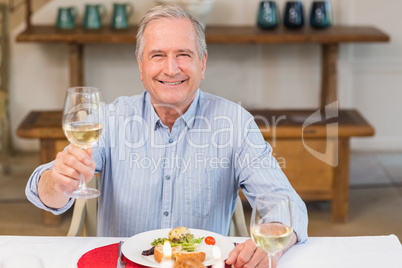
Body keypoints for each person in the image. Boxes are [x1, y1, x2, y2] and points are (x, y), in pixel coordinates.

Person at [26, 4, 308, 268]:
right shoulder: (110, 119)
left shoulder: (235, 123)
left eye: (183, 55)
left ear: (203, 63)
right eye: (157, 55)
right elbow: (45, 192)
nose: (171, 69)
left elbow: (286, 203)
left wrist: (274, 238)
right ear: (141, 66)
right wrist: (58, 183)